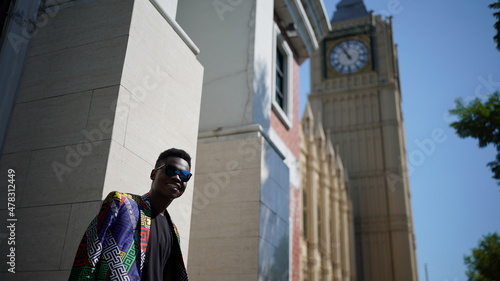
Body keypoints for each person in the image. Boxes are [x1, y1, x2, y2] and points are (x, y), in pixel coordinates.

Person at [69, 148, 192, 281]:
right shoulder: (122, 204)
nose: (177, 177)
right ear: (153, 174)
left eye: (184, 175)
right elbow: (89, 253)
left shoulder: (173, 231)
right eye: (171, 170)